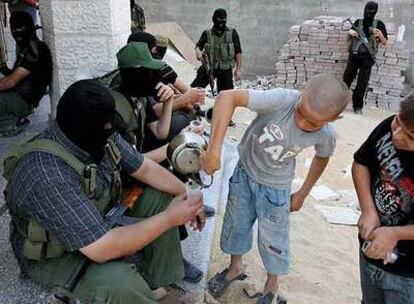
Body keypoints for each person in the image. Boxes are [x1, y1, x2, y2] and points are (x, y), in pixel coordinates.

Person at [3, 79, 205, 303]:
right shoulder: (48, 174)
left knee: (161, 196)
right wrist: (169, 219)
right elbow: (100, 248)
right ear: (87, 130)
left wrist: (185, 196)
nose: (111, 132)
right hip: (53, 254)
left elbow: (143, 168)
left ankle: (159, 281)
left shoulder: (96, 129)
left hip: (96, 217)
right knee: (119, 283)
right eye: (105, 129)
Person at [201, 74, 350, 304]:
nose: (302, 123)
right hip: (244, 174)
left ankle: (272, 285)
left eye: (313, 123)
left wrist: (302, 193)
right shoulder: (281, 99)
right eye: (301, 113)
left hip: (276, 189)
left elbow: (323, 157)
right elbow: (226, 97)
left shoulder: (326, 135)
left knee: (274, 238)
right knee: (236, 223)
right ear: (302, 91)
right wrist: (214, 150)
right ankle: (235, 267)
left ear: (335, 119)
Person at [352, 90, 414, 304]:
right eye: (398, 122)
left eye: (410, 137)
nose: (397, 135)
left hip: (407, 273)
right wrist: (368, 210)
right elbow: (361, 163)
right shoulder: (389, 126)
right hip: (369, 248)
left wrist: (396, 233)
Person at [0, 10, 52, 136]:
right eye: (14, 28)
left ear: (28, 27)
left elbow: (11, 81)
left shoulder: (33, 50)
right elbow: (14, 75)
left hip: (25, 102)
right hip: (22, 96)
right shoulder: (26, 45)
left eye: (21, 28)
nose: (16, 32)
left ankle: (10, 125)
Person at [343, 1, 388, 114]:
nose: (369, 13)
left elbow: (385, 42)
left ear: (376, 12)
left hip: (368, 58)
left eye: (372, 11)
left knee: (362, 83)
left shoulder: (379, 24)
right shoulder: (359, 22)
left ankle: (357, 106)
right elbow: (350, 34)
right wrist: (351, 32)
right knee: (346, 79)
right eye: (367, 10)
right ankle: (339, 101)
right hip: (354, 55)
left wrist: (381, 35)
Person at [191, 8, 242, 93]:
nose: (221, 23)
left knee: (226, 95)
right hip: (209, 67)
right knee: (194, 89)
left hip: (225, 69)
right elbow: (198, 47)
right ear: (214, 19)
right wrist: (198, 53)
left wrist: (238, 69)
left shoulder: (232, 33)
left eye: (223, 20)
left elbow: (238, 52)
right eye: (218, 20)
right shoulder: (207, 33)